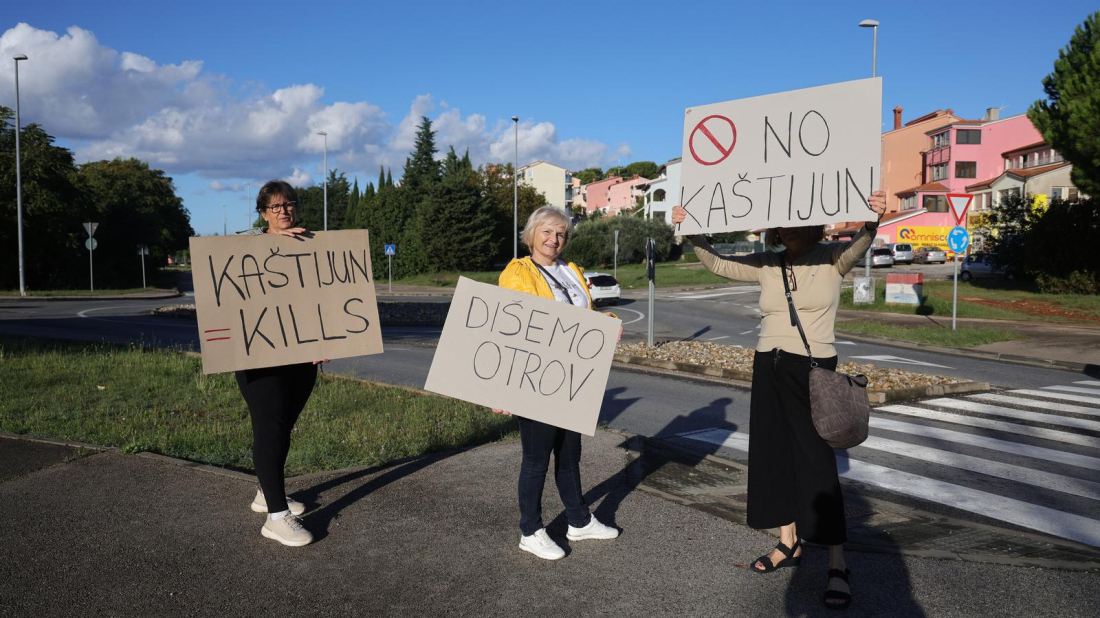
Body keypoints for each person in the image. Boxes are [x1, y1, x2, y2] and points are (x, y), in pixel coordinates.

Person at [672, 191, 887, 610]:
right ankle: (788, 543)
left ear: (812, 221)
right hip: (767, 366)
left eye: (795, 221)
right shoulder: (768, 262)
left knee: (817, 465)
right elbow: (719, 263)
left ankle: (837, 564)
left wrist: (873, 220)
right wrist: (692, 232)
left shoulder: (833, 258)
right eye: (781, 222)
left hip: (813, 370)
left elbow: (862, 241)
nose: (788, 229)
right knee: (774, 457)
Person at [493, 206, 622, 560]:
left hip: (571, 377)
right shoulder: (518, 271)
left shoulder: (571, 270)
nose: (555, 239)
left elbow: (584, 317)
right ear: (532, 234)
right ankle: (530, 530)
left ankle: (578, 521)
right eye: (547, 231)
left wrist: (608, 321)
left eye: (561, 233)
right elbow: (509, 326)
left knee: (569, 455)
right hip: (536, 377)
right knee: (536, 459)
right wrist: (501, 387)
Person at [235, 180, 327, 547]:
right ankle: (276, 517)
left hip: (301, 356)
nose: (284, 210)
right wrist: (272, 244)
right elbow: (225, 258)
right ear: (263, 214)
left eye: (289, 204)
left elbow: (326, 297)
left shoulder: (311, 246)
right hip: (259, 356)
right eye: (275, 206)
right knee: (270, 427)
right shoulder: (248, 245)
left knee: (282, 427)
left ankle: (265, 491)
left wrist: (329, 337)